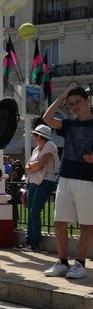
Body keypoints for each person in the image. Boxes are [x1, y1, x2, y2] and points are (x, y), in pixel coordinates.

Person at [42, 87, 93, 279]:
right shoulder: (68, 124)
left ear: (87, 101)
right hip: (66, 177)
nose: (75, 107)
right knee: (59, 221)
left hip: (88, 180)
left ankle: (80, 264)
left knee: (87, 222)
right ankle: (62, 262)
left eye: (78, 102)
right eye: (71, 104)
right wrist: (62, 97)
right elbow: (47, 119)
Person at [16, 125, 60, 251]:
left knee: (34, 211)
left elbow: (39, 165)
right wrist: (33, 166)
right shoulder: (36, 150)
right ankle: (29, 240)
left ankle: (34, 243)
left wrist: (33, 166)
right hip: (35, 181)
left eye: (35, 135)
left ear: (41, 136)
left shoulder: (50, 146)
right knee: (31, 211)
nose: (33, 138)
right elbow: (28, 167)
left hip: (47, 181)